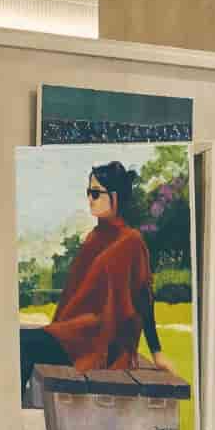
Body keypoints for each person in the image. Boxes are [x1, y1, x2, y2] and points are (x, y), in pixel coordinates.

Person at [21, 160, 160, 404]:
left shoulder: (132, 241)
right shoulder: (94, 237)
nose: (89, 199)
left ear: (115, 197)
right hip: (75, 334)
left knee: (22, 345)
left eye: (95, 193)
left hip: (100, 343)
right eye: (88, 192)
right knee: (19, 340)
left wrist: (157, 352)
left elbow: (144, 298)